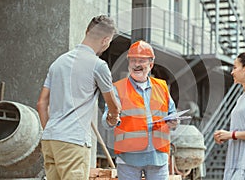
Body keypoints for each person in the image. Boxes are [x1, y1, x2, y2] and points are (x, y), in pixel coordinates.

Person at [37, 15, 121, 180]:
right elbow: (114, 106)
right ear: (106, 40)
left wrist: (53, 131)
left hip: (50, 140)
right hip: (73, 142)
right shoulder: (98, 66)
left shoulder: (58, 63)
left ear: (87, 31)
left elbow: (41, 104)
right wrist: (113, 117)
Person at [102, 40, 178, 180]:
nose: (137, 65)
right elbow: (106, 121)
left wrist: (174, 122)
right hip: (129, 158)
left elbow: (172, 113)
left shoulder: (162, 87)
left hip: (158, 156)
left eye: (141, 61)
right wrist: (111, 118)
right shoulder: (118, 89)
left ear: (151, 64)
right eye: (133, 61)